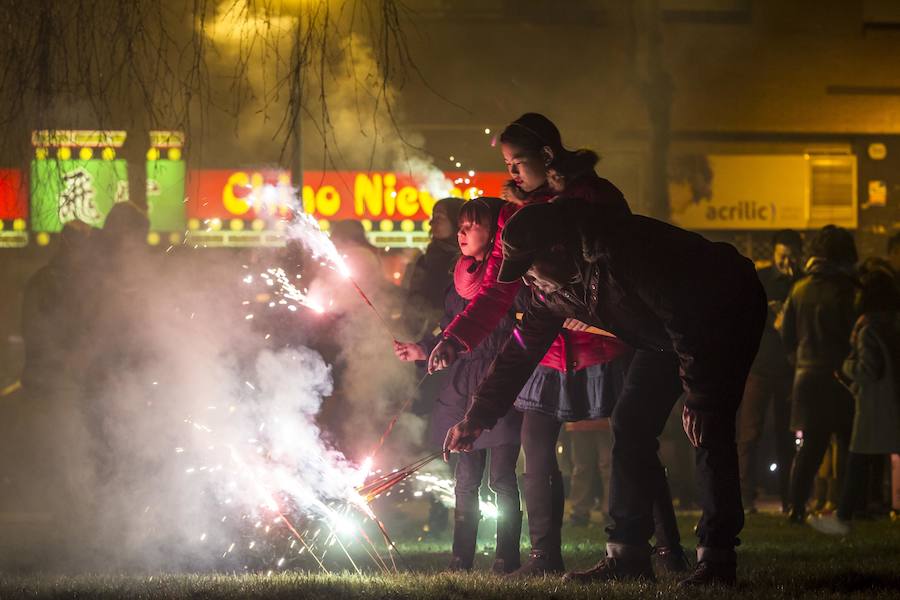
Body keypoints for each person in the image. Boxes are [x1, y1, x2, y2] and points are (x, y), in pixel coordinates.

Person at [443, 198, 767, 587]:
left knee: (708, 425)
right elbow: (519, 352)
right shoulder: (553, 289)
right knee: (630, 422)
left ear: (557, 250)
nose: (529, 281)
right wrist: (477, 417)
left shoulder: (618, 252)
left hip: (722, 308)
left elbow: (683, 313)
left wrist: (698, 395)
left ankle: (717, 558)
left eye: (531, 269)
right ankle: (627, 555)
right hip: (662, 330)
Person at [427, 113, 639, 577]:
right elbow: (499, 289)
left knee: (631, 439)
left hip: (599, 341)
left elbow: (616, 264)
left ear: (546, 154)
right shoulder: (520, 217)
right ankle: (544, 556)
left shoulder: (590, 199)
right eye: (506, 163)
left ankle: (651, 547)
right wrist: (457, 338)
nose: (512, 173)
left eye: (517, 161)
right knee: (536, 448)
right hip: (546, 345)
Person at [393, 197, 523, 573]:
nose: (462, 233)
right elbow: (451, 326)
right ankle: (460, 557)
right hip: (463, 387)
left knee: (502, 477)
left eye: (472, 226)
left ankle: (506, 557)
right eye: (460, 225)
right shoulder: (460, 277)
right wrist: (424, 349)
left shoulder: (511, 278)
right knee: (465, 479)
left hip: (501, 385)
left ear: (495, 232)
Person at [811, 265, 900, 534]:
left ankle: (844, 517)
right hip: (892, 403)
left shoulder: (867, 329)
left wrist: (847, 365)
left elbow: (868, 370)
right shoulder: (894, 323)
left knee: (857, 459)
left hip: (874, 405)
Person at [780, 225, 858, 524]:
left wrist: (798, 363)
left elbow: (787, 335)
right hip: (840, 375)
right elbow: (853, 333)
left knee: (810, 448)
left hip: (806, 376)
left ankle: (796, 507)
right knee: (850, 442)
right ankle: (848, 506)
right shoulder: (848, 289)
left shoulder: (799, 289)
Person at [738, 229, 802, 513]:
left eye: (790, 255)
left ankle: (790, 499)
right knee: (749, 433)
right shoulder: (762, 278)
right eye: (781, 255)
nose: (785, 260)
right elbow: (745, 314)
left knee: (787, 436)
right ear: (774, 253)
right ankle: (744, 498)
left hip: (790, 369)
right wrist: (771, 317)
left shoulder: (801, 283)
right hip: (760, 366)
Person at [402, 197, 465, 339]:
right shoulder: (425, 260)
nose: (431, 223)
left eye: (439, 217)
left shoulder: (467, 261)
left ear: (457, 221)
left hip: (456, 337)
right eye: (433, 217)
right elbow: (411, 299)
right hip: (422, 337)